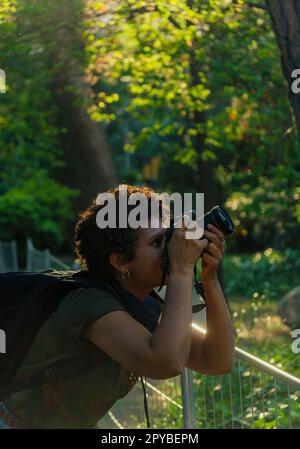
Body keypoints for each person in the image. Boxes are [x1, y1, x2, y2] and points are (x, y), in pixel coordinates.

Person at [0, 184, 235, 429]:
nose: (170, 248)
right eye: (157, 242)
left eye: (168, 236)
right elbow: (165, 361)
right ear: (121, 262)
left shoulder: (142, 306)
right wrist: (182, 269)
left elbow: (216, 360)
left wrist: (210, 279)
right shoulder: (88, 304)